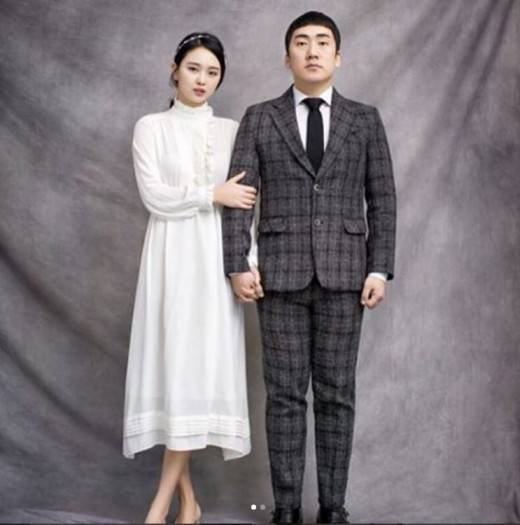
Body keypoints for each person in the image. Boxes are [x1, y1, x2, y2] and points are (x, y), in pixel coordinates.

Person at [222, 11, 397, 525]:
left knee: (337, 395)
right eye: (302, 42)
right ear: (287, 58)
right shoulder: (260, 117)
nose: (312, 50)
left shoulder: (364, 120)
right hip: (278, 277)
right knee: (283, 397)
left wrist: (379, 269)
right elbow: (240, 198)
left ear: (338, 57)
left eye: (323, 42)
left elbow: (382, 199)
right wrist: (237, 263)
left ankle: (333, 508)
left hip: (347, 276)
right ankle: (285, 509)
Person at [122, 32, 261, 524]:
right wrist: (210, 194)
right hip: (170, 259)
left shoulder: (231, 131)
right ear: (174, 69)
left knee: (196, 373)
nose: (202, 80)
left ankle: (166, 506)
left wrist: (248, 261)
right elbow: (155, 196)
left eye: (212, 72)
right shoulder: (150, 127)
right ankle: (180, 504)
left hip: (215, 262)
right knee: (175, 372)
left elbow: (245, 207)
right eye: (194, 68)